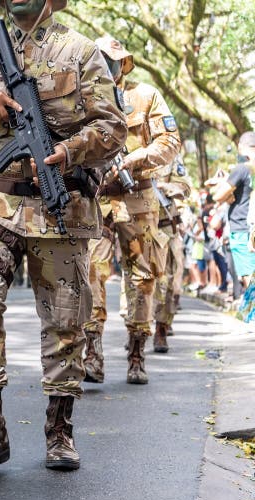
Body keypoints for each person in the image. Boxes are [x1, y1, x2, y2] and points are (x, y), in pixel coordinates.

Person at [0, 0, 127, 473]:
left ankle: (59, 431)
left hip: (60, 202)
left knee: (66, 319)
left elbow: (113, 129)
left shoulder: (81, 50)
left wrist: (69, 150)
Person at [82, 36, 181, 384]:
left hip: (138, 198)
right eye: (100, 60)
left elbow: (170, 142)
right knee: (90, 275)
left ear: (124, 64)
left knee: (142, 278)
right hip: (96, 200)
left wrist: (134, 159)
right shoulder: (81, 96)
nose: (107, 66)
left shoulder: (145, 96)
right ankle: (92, 353)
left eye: (113, 60)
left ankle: (137, 354)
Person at [152, 160, 192, 353]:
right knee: (135, 281)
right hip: (134, 224)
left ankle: (161, 328)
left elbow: (185, 187)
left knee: (166, 281)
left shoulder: (169, 157)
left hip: (165, 225)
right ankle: (135, 330)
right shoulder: (125, 148)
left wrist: (164, 187)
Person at [212, 132, 255, 288]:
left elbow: (218, 195)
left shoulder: (242, 169)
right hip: (250, 228)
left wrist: (228, 193)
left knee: (249, 280)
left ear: (240, 147)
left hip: (243, 230)